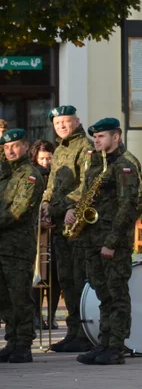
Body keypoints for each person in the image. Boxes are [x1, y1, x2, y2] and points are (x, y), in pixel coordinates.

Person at [64, 118, 142, 365]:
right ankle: (104, 342)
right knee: (103, 294)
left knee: (116, 293)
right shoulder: (96, 163)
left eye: (102, 136)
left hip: (113, 242)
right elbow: (86, 195)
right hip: (91, 238)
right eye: (95, 136)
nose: (97, 140)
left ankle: (117, 347)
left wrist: (110, 242)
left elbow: (129, 207)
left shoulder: (125, 165)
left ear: (116, 137)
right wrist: (73, 209)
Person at [40, 106, 94, 353]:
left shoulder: (86, 147)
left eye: (66, 121)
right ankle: (72, 331)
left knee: (79, 278)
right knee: (65, 279)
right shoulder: (60, 148)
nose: (61, 125)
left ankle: (84, 332)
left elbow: (85, 185)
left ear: (77, 121)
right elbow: (51, 184)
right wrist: (45, 206)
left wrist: (57, 208)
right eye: (57, 122)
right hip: (59, 222)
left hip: (76, 222)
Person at [0, 129, 46, 363]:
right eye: (7, 147)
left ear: (26, 147)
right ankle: (12, 340)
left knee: (19, 296)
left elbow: (17, 211)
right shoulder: (4, 174)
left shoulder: (30, 175)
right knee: (4, 298)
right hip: (1, 246)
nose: (10, 150)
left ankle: (24, 344)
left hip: (18, 248)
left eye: (15, 146)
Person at [29, 139, 59, 330]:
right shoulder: (32, 175)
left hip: (55, 229)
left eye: (49, 158)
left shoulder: (57, 175)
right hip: (37, 231)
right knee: (38, 274)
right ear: (35, 158)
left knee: (55, 274)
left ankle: (53, 314)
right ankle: (36, 314)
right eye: (42, 158)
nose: (46, 162)